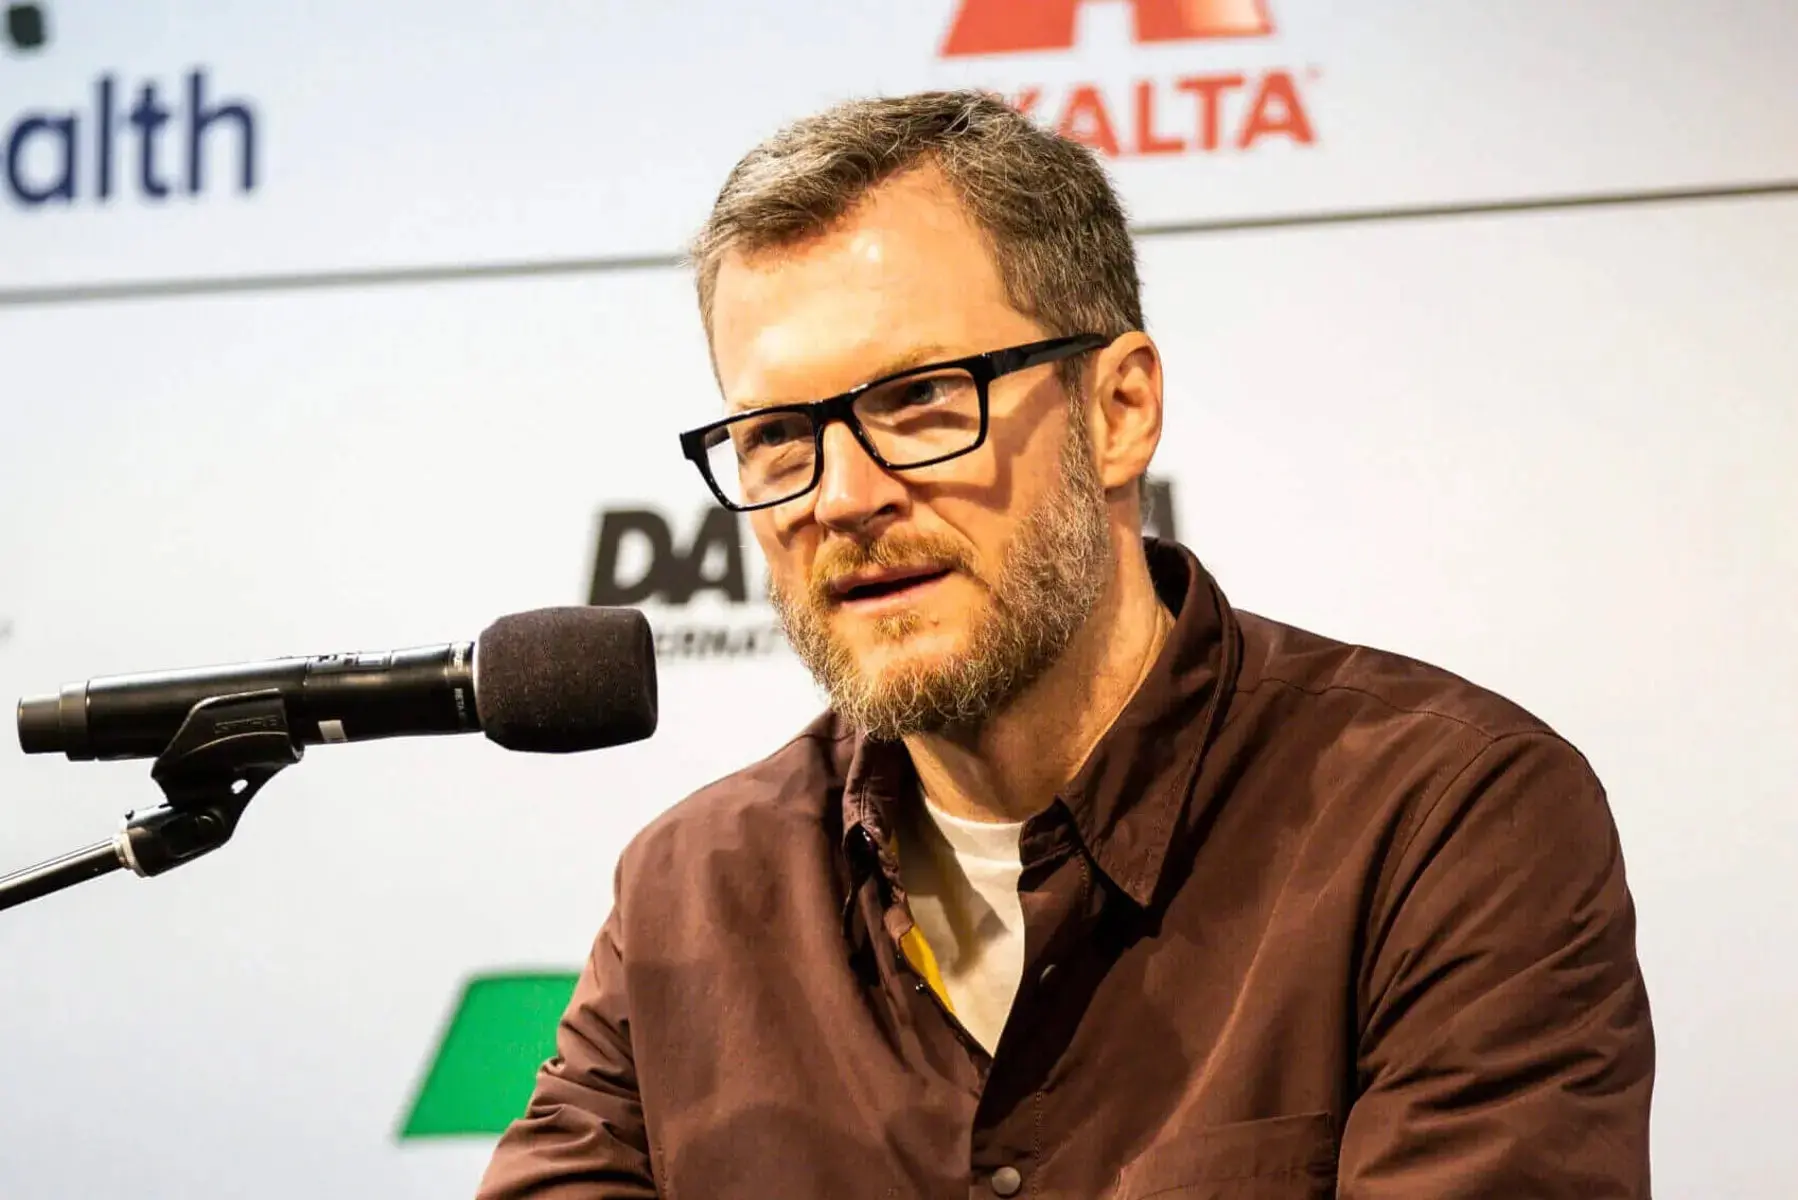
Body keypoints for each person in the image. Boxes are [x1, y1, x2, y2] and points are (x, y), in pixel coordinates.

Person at [478, 90, 1654, 1199]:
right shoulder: (689, 890)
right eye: (779, 434)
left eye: (921, 400)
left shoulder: (1444, 820)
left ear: (1118, 411)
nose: (841, 496)